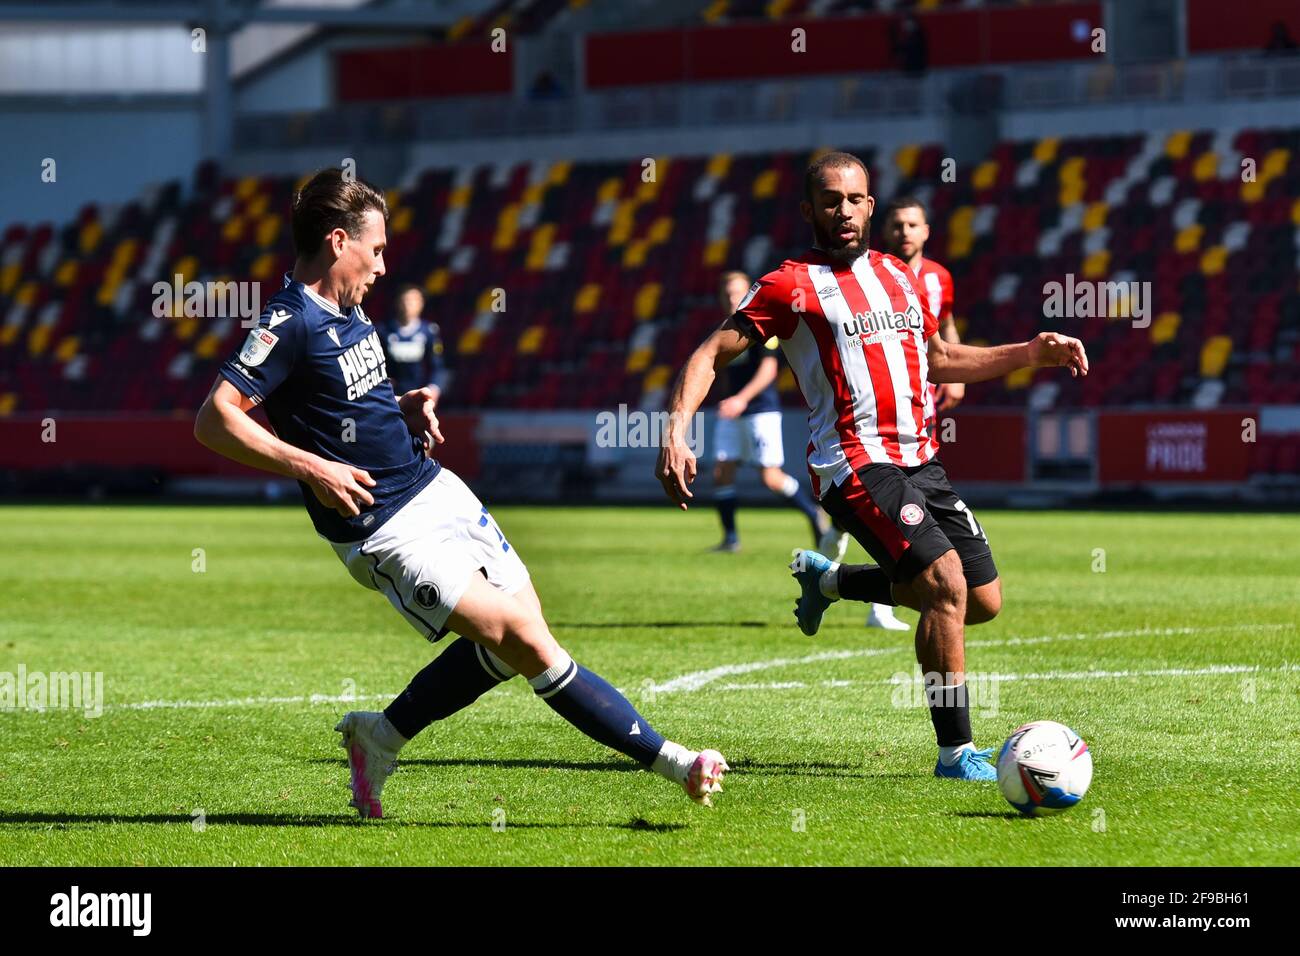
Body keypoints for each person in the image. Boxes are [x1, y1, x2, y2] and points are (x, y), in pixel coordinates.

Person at [195, 168, 727, 818]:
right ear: (339, 242)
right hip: (380, 528)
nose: (384, 267)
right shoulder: (289, 320)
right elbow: (215, 417)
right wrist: (314, 469)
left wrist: (401, 407)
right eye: (378, 249)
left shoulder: (349, 307)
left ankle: (380, 737)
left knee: (510, 643)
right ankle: (678, 763)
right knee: (528, 642)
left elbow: (340, 400)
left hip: (432, 486)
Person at [655, 151, 1088, 781]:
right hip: (852, 463)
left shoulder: (898, 275)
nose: (845, 211)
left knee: (983, 600)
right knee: (944, 586)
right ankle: (955, 753)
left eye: (855, 199)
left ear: (870, 206)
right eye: (831, 200)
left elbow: (938, 360)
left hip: (922, 460)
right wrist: (676, 428)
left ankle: (830, 582)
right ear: (810, 211)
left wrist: (1029, 352)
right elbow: (710, 352)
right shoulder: (788, 286)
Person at [820, 195, 962, 631]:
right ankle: (878, 603)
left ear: (926, 232)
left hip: (919, 404)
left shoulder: (938, 279)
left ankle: (841, 568)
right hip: (868, 418)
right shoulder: (864, 277)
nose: (904, 232)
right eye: (897, 225)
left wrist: (952, 375)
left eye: (912, 225)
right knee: (894, 507)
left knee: (911, 507)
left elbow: (946, 324)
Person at [712, 269, 829, 552]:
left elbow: (768, 370)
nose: (732, 298)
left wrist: (740, 399)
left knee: (770, 477)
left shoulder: (761, 326)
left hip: (760, 410)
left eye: (738, 292)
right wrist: (728, 397)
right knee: (721, 471)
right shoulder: (725, 329)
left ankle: (813, 514)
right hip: (733, 410)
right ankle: (730, 539)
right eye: (727, 293)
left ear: (748, 294)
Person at [383, 284, 447, 406]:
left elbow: (437, 365)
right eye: (406, 300)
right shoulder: (383, 331)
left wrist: (434, 387)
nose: (409, 305)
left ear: (421, 304)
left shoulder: (429, 331)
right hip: (391, 396)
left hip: (420, 395)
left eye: (414, 300)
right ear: (398, 302)